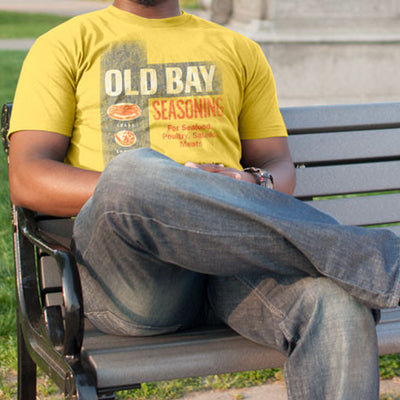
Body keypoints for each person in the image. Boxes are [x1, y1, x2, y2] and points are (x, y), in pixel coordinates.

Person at [7, 1, 400, 399]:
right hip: (135, 279)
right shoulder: (66, 44)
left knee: (337, 306)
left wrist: (250, 180)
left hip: (231, 269)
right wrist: (168, 187)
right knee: (132, 171)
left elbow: (276, 165)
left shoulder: (237, 48)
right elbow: (27, 178)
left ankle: (375, 268)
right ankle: (382, 264)